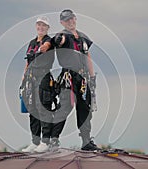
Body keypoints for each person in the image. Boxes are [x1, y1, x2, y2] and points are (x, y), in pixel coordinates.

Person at [53, 9, 101, 151]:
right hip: (68, 76)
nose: (70, 22)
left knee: (85, 109)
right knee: (65, 107)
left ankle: (86, 141)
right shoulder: (62, 36)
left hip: (83, 77)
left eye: (72, 19)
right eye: (67, 20)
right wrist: (58, 40)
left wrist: (92, 78)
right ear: (62, 22)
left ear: (75, 19)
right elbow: (59, 41)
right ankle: (53, 140)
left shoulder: (83, 37)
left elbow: (88, 58)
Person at [21, 16, 62, 153]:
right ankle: (35, 141)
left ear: (47, 28)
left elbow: (47, 46)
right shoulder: (32, 43)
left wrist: (44, 47)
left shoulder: (48, 41)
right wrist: (23, 79)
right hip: (30, 78)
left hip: (43, 76)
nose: (41, 27)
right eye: (39, 25)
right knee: (32, 109)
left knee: (42, 107)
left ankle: (45, 141)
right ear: (36, 26)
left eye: (44, 25)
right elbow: (28, 61)